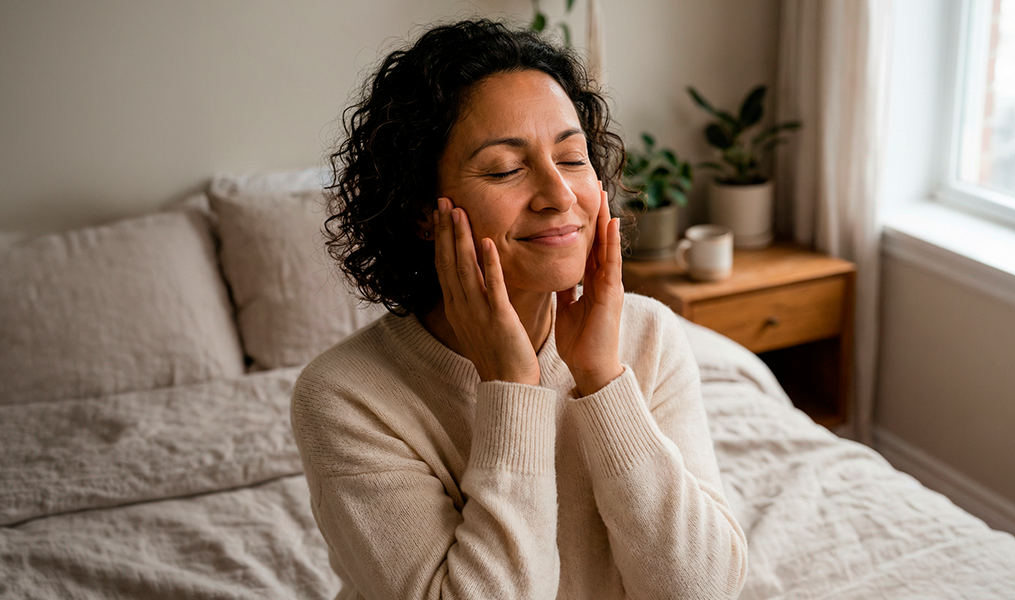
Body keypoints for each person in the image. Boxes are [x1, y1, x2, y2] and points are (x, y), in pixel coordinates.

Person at [291, 18, 747, 600]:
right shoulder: (345, 396)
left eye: (574, 158)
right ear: (423, 211)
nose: (559, 195)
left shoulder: (649, 335)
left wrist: (603, 381)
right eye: (506, 169)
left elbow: (701, 591)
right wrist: (510, 387)